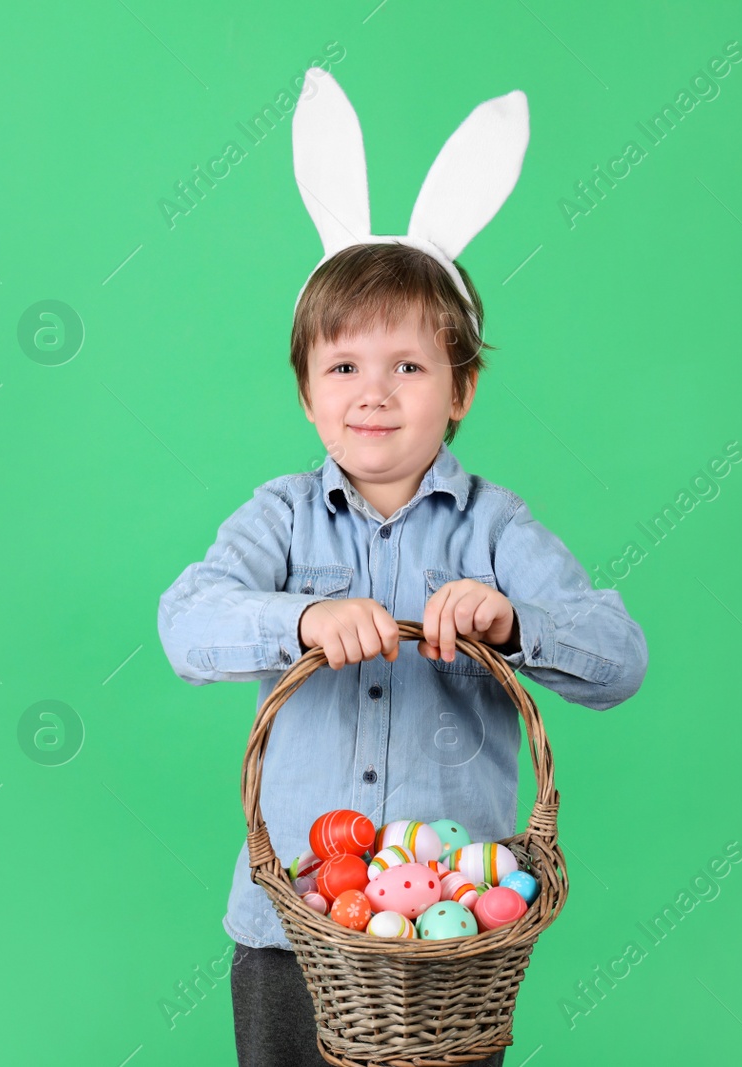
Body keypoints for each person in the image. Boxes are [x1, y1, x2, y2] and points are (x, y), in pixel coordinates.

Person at [156, 68, 648, 1067]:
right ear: (305, 391)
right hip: (292, 918)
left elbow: (620, 659)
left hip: (447, 941)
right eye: (343, 367)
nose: (372, 393)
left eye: (409, 367)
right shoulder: (280, 516)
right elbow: (185, 623)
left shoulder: (497, 526)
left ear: (461, 387)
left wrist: (513, 618)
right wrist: (299, 619)